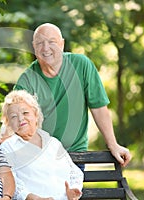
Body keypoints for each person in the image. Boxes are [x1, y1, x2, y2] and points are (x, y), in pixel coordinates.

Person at [9, 23, 131, 168]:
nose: (46, 48)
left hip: (75, 156)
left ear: (62, 44)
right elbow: (13, 118)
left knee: (71, 191)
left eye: (51, 42)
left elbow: (99, 108)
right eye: (40, 43)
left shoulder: (82, 65)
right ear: (34, 47)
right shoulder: (27, 79)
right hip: (39, 157)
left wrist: (113, 145)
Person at [0, 90, 83, 200]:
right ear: (9, 123)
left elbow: (75, 172)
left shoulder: (53, 143)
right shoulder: (8, 147)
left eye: (25, 113)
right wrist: (29, 197)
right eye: (14, 116)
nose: (21, 119)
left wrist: (73, 189)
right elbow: (10, 181)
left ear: (36, 115)